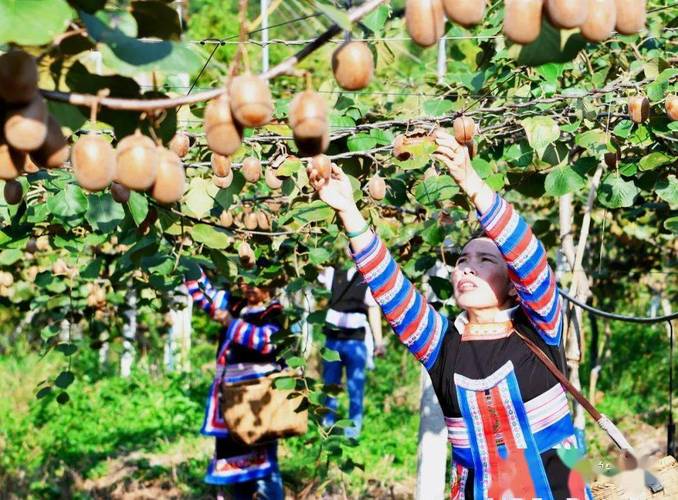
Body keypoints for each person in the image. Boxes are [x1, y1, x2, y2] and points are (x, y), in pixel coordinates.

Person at [307, 129, 590, 499]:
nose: (467, 269)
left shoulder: (540, 325)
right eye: (462, 261)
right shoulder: (441, 345)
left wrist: (470, 181)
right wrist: (348, 211)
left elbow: (529, 256)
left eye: (485, 260)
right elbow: (391, 289)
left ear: (512, 284)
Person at [186, 269, 285, 500]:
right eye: (245, 281)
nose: (249, 287)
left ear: (270, 284)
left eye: (257, 282)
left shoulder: (274, 312)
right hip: (228, 406)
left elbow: (266, 342)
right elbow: (204, 295)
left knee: (265, 474)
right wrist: (186, 257)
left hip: (257, 405)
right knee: (236, 475)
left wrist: (232, 324)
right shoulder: (234, 305)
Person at [318, 262, 384, 438]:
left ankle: (353, 432)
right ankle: (327, 427)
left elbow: (373, 311)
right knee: (330, 385)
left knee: (356, 387)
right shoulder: (333, 273)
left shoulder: (366, 279)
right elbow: (315, 265)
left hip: (355, 342)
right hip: (332, 341)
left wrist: (379, 342)